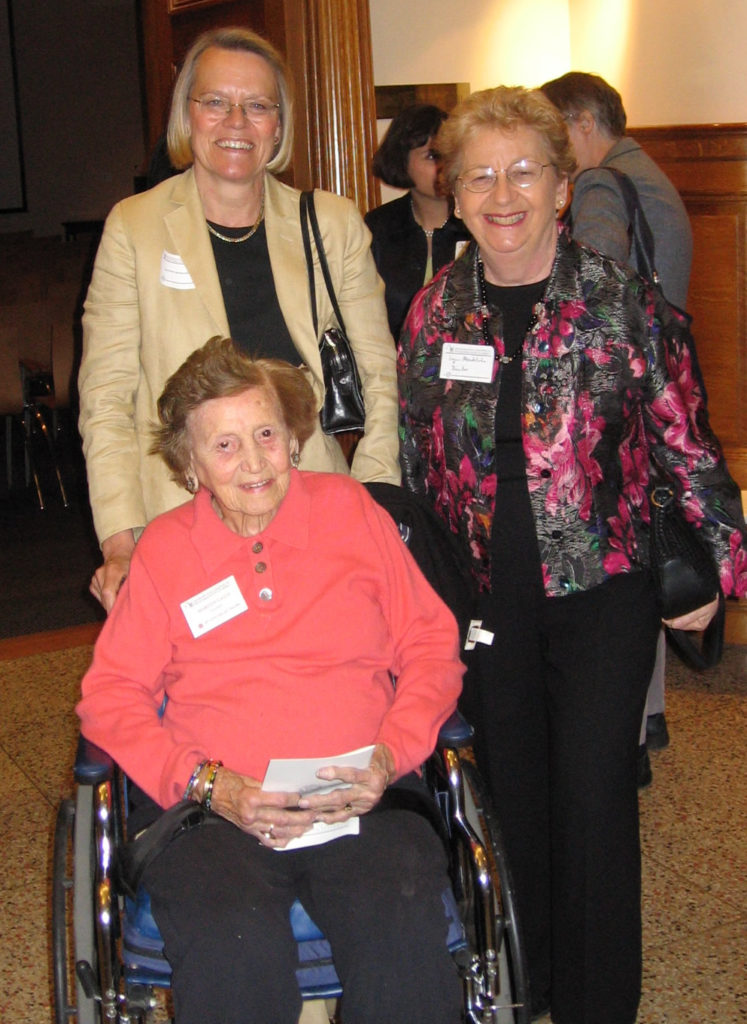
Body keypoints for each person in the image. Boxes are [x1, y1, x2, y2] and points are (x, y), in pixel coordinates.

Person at [397, 85, 747, 1024]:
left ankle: (596, 1004)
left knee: (591, 799)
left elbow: (688, 444)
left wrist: (717, 571)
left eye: (523, 171)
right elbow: (415, 458)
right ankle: (527, 984)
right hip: (482, 594)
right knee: (509, 797)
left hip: (602, 587)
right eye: (479, 174)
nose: (500, 192)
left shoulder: (619, 299)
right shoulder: (434, 310)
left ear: (560, 186)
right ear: (455, 191)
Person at [77, 337, 464, 1024]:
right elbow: (110, 697)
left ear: (292, 437)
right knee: (232, 942)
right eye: (223, 446)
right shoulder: (165, 550)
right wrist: (204, 782)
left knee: (398, 923)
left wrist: (389, 754)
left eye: (265, 434)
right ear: (189, 464)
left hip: (358, 793)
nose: (253, 461)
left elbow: (431, 645)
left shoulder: (350, 512)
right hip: (212, 811)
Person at [78, 26, 400, 614]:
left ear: (278, 124)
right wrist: (120, 539)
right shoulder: (134, 226)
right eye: (216, 102)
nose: (236, 122)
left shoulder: (331, 223)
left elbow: (380, 375)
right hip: (183, 510)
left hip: (314, 505)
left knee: (325, 683)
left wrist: (375, 500)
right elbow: (107, 399)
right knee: (207, 696)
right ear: (187, 114)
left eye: (257, 106)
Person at [540, 71, 696, 783]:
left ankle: (622, 736)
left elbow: (591, 290)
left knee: (613, 563)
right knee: (644, 546)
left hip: (613, 400)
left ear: (578, 121)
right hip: (656, 388)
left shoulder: (602, 183)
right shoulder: (651, 175)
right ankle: (647, 715)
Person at [365, 104, 471, 339]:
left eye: (449, 156)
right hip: (392, 368)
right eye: (432, 156)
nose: (443, 167)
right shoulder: (379, 227)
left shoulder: (475, 224)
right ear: (403, 161)